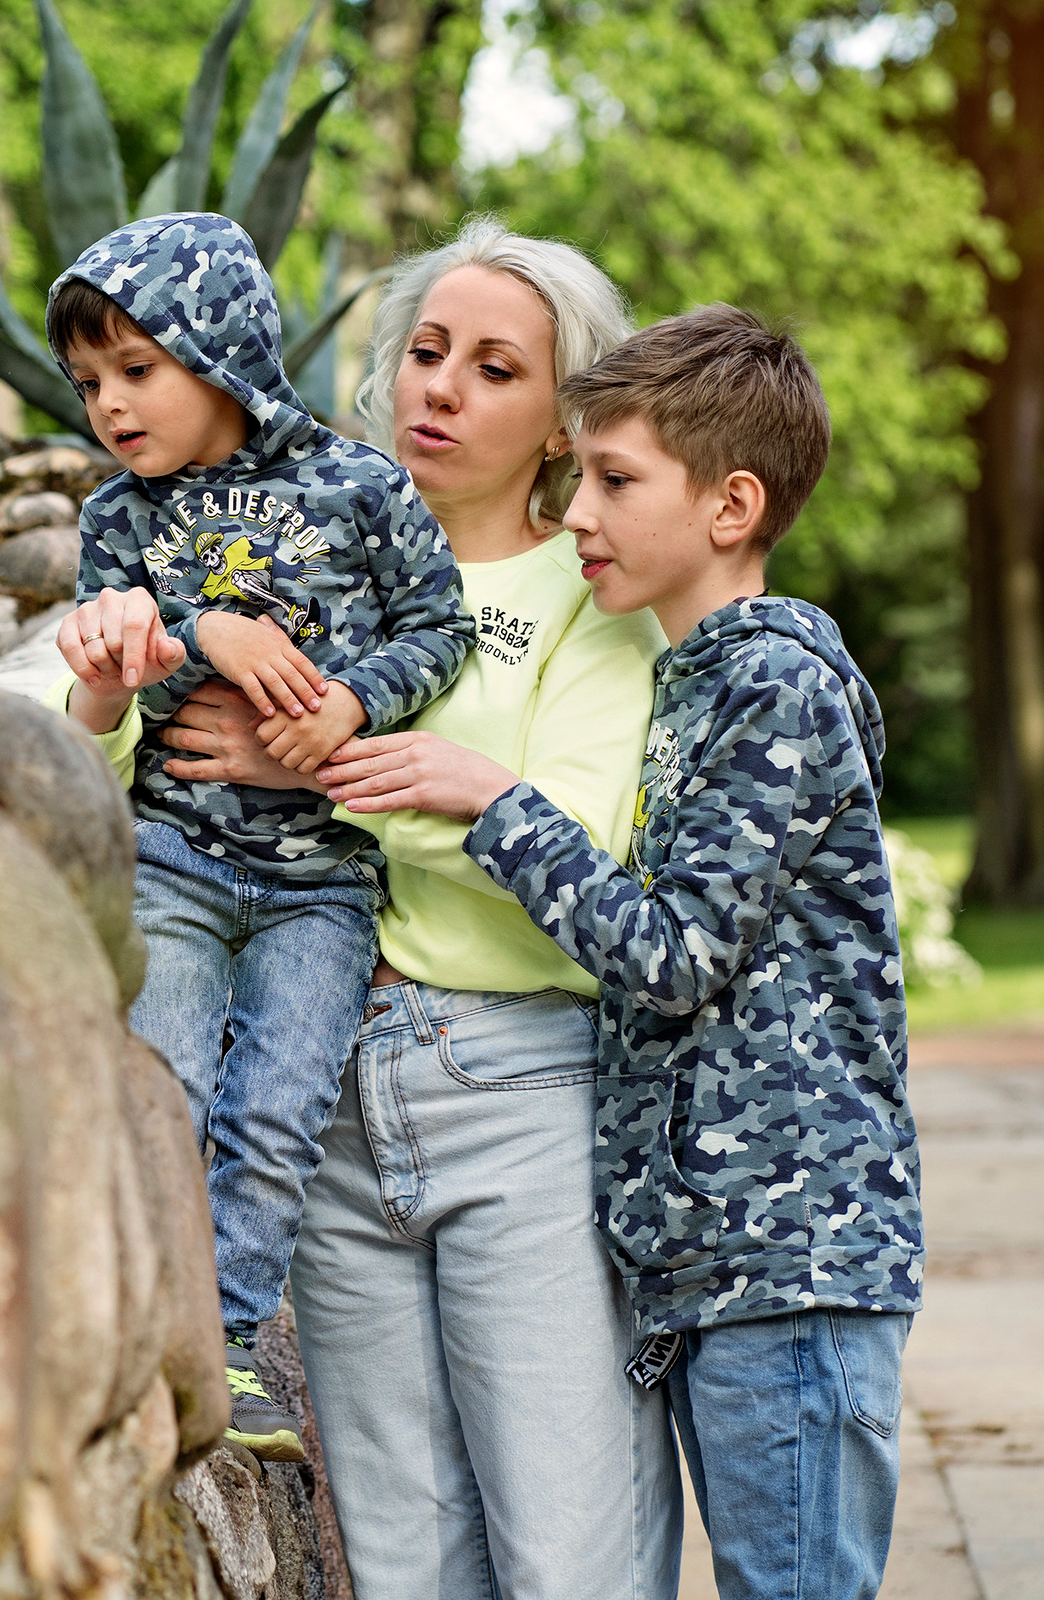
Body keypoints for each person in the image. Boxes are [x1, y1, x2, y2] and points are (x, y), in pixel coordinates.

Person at [71, 218, 682, 1598]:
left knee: (567, 1542)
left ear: (558, 419)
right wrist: (119, 690)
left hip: (515, 1090)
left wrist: (322, 780)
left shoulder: (591, 598)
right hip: (330, 1093)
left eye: (494, 367)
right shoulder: (254, 537)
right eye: (423, 350)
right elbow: (104, 761)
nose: (441, 388)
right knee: (398, 1552)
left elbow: (577, 848)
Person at [321, 304, 923, 1600]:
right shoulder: (694, 679)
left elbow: (673, 950)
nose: (579, 511)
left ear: (730, 505)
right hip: (716, 1261)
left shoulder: (775, 687)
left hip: (794, 1259)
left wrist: (490, 800)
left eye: (615, 479)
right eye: (581, 473)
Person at [44, 212, 475, 1461]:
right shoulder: (118, 518)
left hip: (319, 889)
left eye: (138, 370)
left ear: (220, 351)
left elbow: (437, 630)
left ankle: (224, 1345)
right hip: (173, 856)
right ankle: (143, 1326)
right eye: (88, 385)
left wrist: (349, 701)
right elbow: (105, 636)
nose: (111, 408)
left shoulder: (359, 486)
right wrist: (202, 629)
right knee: (165, 1081)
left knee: (277, 1112)